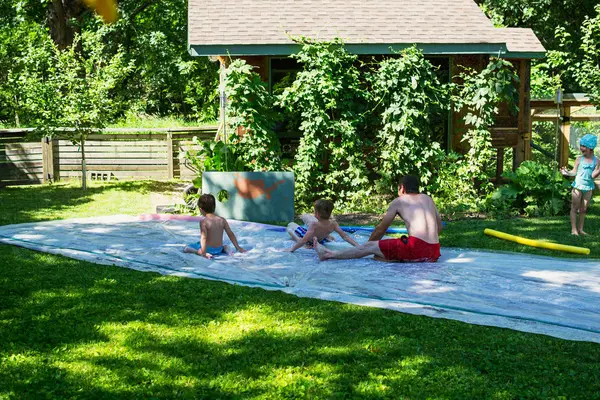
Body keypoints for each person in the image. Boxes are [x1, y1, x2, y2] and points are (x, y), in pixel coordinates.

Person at [313, 175, 442, 262]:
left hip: (417, 249)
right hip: (434, 251)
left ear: (402, 188)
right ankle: (408, 257)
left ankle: (329, 254)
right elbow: (439, 227)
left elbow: (381, 229)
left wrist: (367, 247)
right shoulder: (428, 199)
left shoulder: (400, 200)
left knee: (372, 248)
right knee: (378, 255)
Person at [184, 193, 247, 259]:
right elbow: (230, 234)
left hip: (208, 249)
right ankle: (230, 253)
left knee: (186, 248)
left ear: (201, 210)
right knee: (225, 246)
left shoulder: (204, 222)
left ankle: (200, 252)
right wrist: (238, 247)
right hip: (218, 249)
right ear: (214, 207)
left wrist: (203, 252)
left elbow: (204, 238)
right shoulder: (222, 220)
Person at [560, 134, 600, 235]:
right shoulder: (579, 159)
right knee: (574, 208)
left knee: (583, 209)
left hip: (588, 188)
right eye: (581, 145)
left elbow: (592, 176)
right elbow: (574, 172)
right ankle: (574, 230)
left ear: (590, 147)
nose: (581, 148)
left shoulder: (596, 161)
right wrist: (567, 173)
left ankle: (580, 229)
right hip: (578, 187)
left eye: (584, 146)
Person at [285, 199, 359, 252]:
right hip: (321, 240)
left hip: (309, 241)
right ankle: (327, 236)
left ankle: (301, 242)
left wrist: (292, 249)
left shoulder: (314, 224)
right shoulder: (333, 223)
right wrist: (358, 246)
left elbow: (304, 239)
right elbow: (345, 236)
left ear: (316, 214)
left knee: (290, 226)